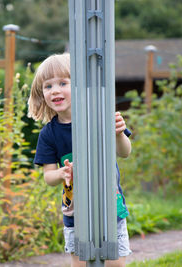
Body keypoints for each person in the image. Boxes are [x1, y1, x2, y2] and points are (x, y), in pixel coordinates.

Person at [28, 53, 132, 267]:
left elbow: (124, 152)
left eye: (62, 83)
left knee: (115, 264)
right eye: (48, 86)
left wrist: (119, 135)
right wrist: (62, 173)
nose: (55, 90)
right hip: (75, 212)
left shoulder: (99, 116)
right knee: (82, 264)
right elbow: (48, 176)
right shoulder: (48, 135)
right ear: (42, 94)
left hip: (108, 205)